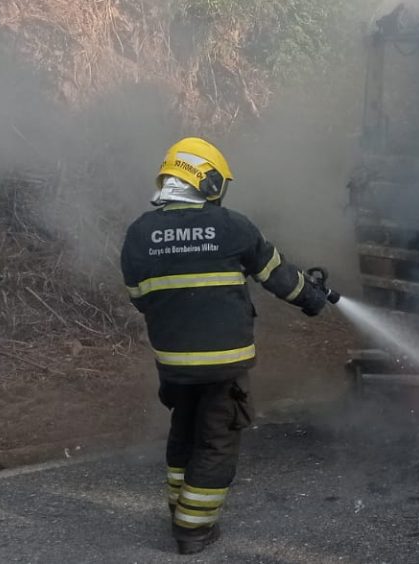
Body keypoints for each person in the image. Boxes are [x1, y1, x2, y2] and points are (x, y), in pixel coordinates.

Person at [119, 137, 337, 555]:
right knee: (216, 439)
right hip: (224, 364)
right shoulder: (232, 226)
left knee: (184, 429)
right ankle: (194, 530)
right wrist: (313, 300)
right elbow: (278, 276)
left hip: (173, 365)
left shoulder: (139, 233)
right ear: (209, 181)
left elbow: (139, 297)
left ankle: (179, 508)